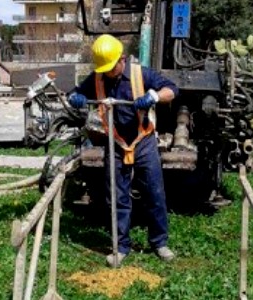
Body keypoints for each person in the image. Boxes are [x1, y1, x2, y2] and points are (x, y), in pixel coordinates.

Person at [67, 34, 179, 267]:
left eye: (111, 68)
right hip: (115, 144)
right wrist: (75, 98)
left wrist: (154, 96)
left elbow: (172, 89)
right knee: (116, 197)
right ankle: (121, 246)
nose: (108, 73)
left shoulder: (141, 74)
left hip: (144, 141)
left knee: (154, 193)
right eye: (104, 69)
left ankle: (159, 243)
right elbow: (74, 93)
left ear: (122, 59)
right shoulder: (97, 78)